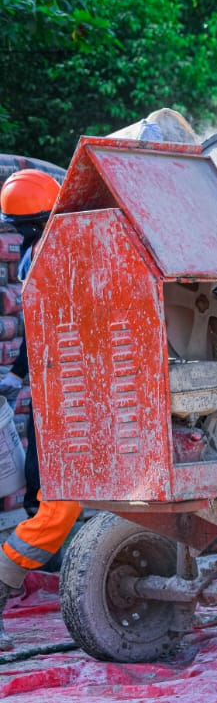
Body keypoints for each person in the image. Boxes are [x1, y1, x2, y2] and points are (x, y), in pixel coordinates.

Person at [0, 168, 80, 649]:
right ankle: (5, 576)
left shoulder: (37, 255)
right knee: (59, 506)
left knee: (52, 496)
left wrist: (17, 372)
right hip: (66, 394)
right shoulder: (52, 256)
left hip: (59, 391)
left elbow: (34, 328)